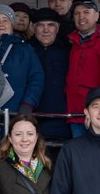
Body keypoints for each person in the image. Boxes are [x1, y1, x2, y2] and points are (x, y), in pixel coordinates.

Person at [0, 5, 45, 113]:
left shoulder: (26, 48)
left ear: (12, 24)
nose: (0, 24)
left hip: (17, 112)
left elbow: (36, 78)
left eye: (5, 20)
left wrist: (28, 104)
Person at [64, 0, 100, 138]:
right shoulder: (73, 41)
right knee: (79, 157)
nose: (81, 17)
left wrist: (97, 110)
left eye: (86, 12)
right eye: (77, 13)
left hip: (97, 115)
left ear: (96, 15)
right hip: (75, 113)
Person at [30, 7, 72, 140]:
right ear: (33, 28)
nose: (46, 30)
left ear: (58, 28)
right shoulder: (25, 49)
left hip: (61, 120)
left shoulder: (68, 50)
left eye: (51, 25)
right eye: (41, 25)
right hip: (30, 119)